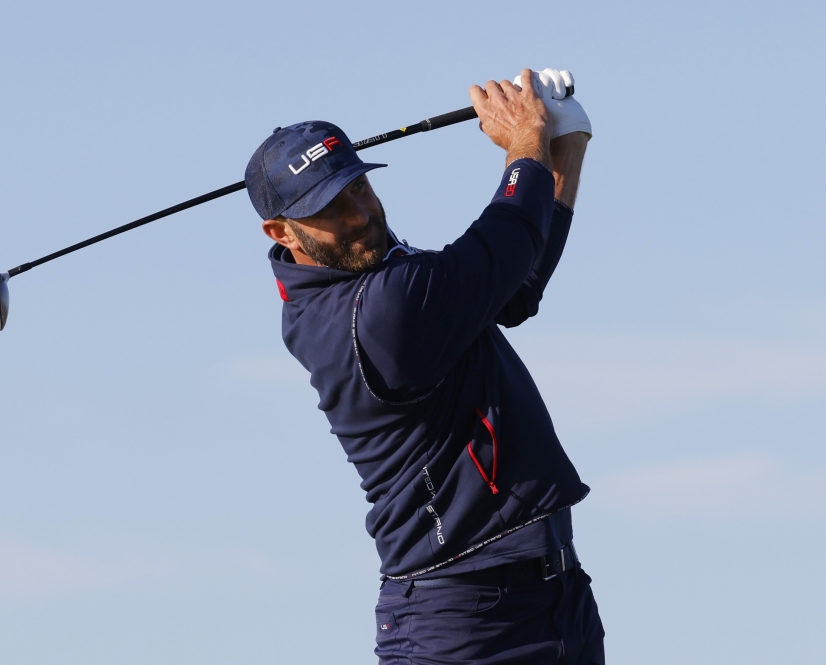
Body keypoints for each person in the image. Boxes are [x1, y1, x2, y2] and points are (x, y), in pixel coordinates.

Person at [244, 68, 604, 664]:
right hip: (460, 623)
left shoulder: (384, 270)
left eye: (359, 188)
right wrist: (524, 143)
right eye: (330, 208)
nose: (360, 213)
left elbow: (514, 288)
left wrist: (565, 143)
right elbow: (504, 244)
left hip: (555, 598)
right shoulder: (373, 313)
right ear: (282, 232)